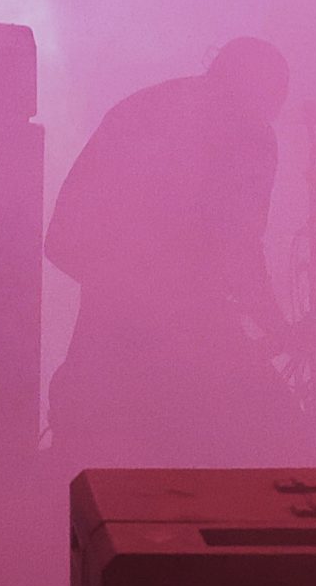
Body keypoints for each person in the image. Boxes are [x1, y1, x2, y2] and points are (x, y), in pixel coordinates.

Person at [42, 37, 299, 462]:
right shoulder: (249, 137)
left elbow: (63, 236)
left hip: (126, 329)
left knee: (102, 458)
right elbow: (240, 250)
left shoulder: (141, 110)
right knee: (276, 441)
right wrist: (273, 324)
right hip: (149, 333)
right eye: (270, 101)